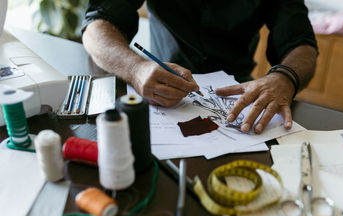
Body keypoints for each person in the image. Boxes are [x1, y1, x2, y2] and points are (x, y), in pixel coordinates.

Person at [82, 0, 318, 134]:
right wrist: (135, 69)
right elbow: (97, 25)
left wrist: (285, 77)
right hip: (158, 84)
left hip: (239, 90)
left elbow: (301, 43)